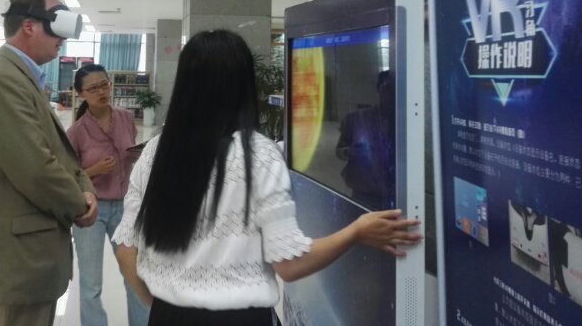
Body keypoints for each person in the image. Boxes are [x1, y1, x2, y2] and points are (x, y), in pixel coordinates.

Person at [112, 30, 421, 324]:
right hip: (240, 319)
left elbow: (126, 252)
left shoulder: (154, 151)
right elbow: (290, 264)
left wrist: (166, 309)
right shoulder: (256, 154)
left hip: (167, 315)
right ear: (243, 85)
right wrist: (356, 232)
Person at [0, 0, 98, 326]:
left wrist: (85, 186)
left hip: (32, 245)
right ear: (28, 25)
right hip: (20, 252)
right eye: (57, 26)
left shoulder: (22, 77)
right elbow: (35, 167)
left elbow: (56, 150)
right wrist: (80, 203)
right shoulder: (3, 79)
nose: (62, 39)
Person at [67, 64, 150, 326]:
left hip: (126, 206)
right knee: (91, 283)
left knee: (135, 275)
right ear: (81, 93)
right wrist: (94, 170)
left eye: (104, 85)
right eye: (93, 88)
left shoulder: (125, 118)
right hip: (91, 208)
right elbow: (68, 176)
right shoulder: (76, 132)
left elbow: (130, 153)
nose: (101, 92)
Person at [336, 70, 396, 210]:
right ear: (378, 89)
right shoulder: (356, 119)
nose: (390, 93)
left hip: (396, 193)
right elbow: (339, 151)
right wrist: (351, 152)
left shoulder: (406, 123)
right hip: (364, 194)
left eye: (394, 88)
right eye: (387, 87)